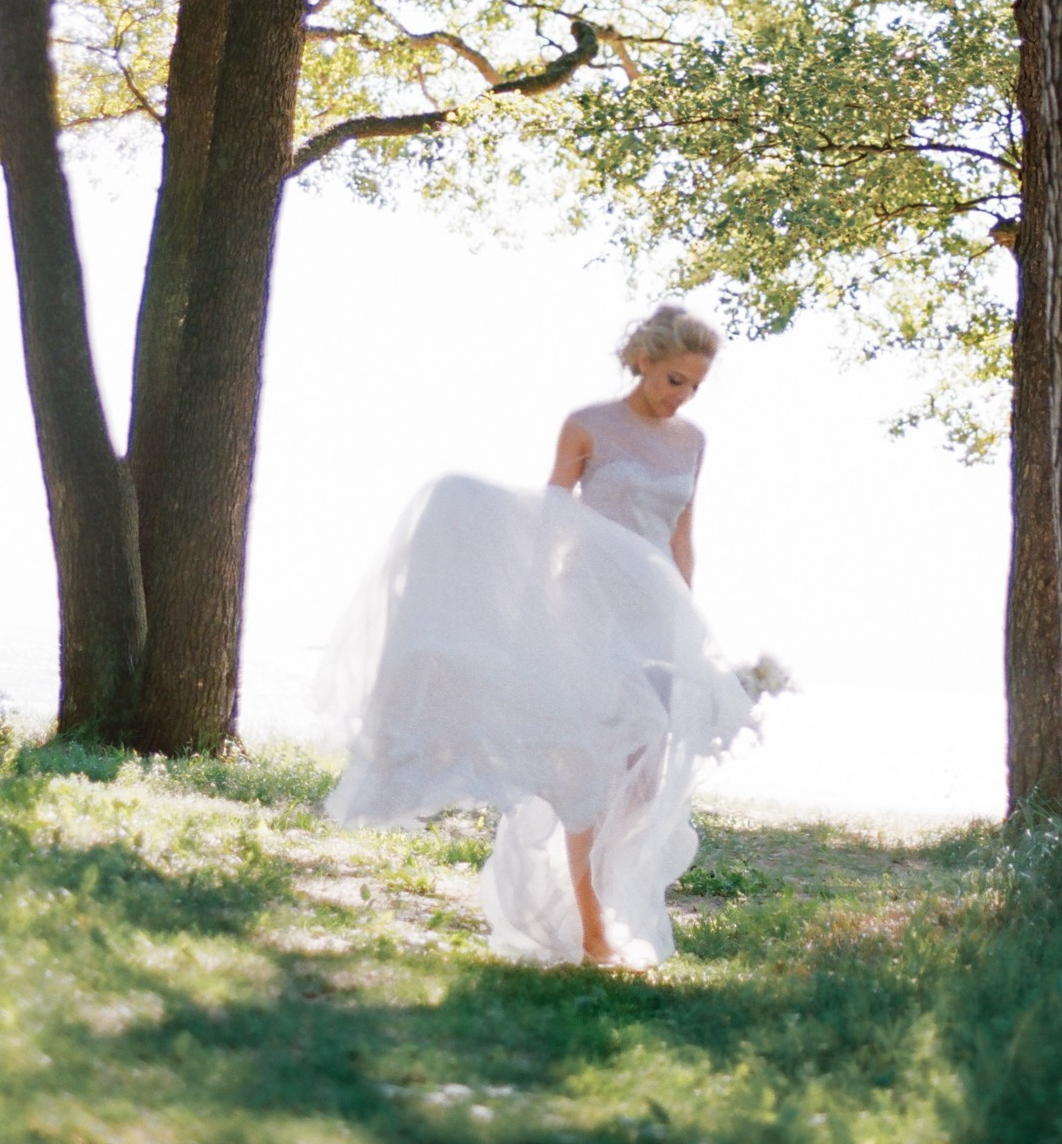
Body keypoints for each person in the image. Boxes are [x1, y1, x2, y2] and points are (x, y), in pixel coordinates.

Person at [322, 304, 754, 967]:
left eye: (694, 385)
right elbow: (550, 521)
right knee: (590, 764)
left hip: (654, 616)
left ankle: (604, 895)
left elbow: (683, 539)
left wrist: (686, 623)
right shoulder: (587, 427)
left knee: (643, 780)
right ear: (643, 361)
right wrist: (529, 610)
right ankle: (591, 930)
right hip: (589, 610)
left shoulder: (692, 442)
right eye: (674, 379)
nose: (682, 396)